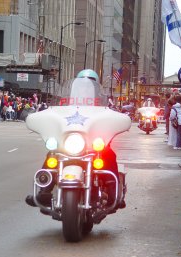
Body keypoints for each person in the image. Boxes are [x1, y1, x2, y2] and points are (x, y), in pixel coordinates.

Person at [26, 69, 125, 210]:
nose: (85, 87)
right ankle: (44, 191)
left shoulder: (102, 102)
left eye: (89, 84)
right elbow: (54, 112)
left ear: (95, 85)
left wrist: (118, 120)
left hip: (93, 144)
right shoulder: (65, 101)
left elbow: (111, 115)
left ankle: (112, 193)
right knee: (52, 154)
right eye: (83, 84)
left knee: (109, 155)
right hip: (70, 141)